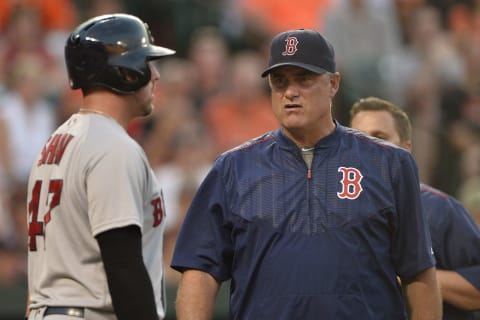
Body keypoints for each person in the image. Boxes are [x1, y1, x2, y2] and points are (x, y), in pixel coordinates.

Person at [171, 29, 442, 319]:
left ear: (333, 84)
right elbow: (200, 271)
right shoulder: (233, 168)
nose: (290, 92)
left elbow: (418, 272)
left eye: (304, 79)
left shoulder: (389, 163)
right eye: (280, 82)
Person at [25, 14, 174, 320]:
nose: (156, 75)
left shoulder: (56, 142)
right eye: (147, 62)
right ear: (127, 73)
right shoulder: (112, 147)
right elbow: (122, 264)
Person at [350, 96, 480, 320]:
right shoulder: (334, 211)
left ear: (405, 149)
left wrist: (416, 275)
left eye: (379, 137)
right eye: (358, 138)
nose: (368, 147)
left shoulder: (439, 210)